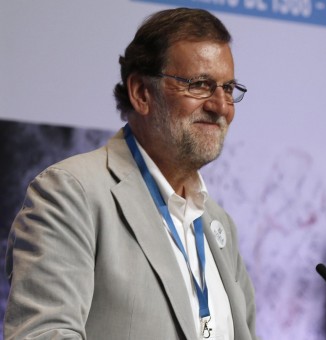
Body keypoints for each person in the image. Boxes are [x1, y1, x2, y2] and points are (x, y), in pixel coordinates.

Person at [3, 7, 258, 340]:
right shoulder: (71, 194)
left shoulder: (217, 223)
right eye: (200, 85)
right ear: (141, 93)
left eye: (228, 88)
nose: (221, 106)